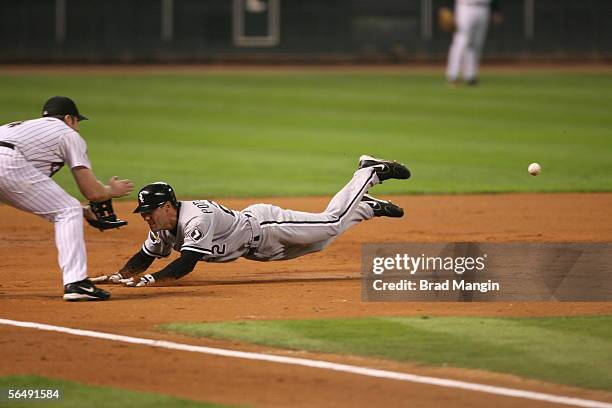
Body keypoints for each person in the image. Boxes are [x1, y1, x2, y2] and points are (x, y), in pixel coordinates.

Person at [92, 155, 410, 287]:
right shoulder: (162, 228)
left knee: (330, 223)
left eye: (151, 210)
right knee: (323, 240)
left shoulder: (195, 220)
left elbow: (186, 264)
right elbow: (146, 256)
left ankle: (368, 170)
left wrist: (150, 282)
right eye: (143, 213)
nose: (146, 217)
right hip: (255, 249)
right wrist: (120, 277)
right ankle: (367, 208)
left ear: (169, 206)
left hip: (265, 225)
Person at [0, 96, 134, 301]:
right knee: (67, 210)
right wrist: (111, 191)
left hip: (8, 159)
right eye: (77, 121)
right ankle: (77, 283)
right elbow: (92, 192)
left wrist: (85, 211)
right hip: (7, 162)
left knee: (69, 208)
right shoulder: (67, 134)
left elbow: (37, 193)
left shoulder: (23, 129)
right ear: (70, 118)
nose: (77, 126)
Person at [444, 0, 502, 86]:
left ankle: (470, 76)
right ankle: (453, 75)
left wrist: (496, 9)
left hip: (484, 7)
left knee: (476, 44)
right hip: (465, 7)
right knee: (461, 41)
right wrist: (447, 7)